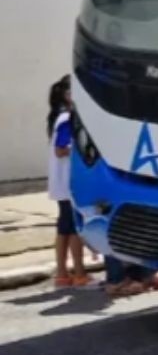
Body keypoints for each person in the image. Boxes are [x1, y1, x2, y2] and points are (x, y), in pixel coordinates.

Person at [46, 77, 87, 288]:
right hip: (67, 183)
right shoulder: (66, 120)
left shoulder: (60, 117)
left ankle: (63, 274)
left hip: (63, 183)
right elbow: (61, 150)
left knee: (64, 228)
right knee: (73, 229)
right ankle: (78, 274)